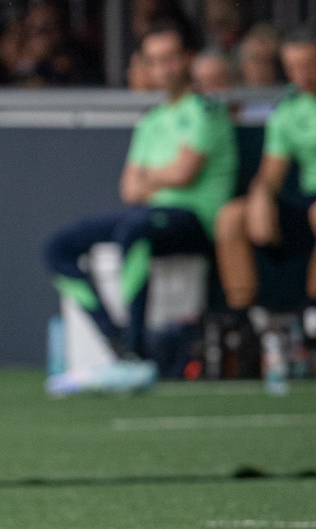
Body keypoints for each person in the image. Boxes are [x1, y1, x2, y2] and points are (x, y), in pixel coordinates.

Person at [42, 26, 236, 367]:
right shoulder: (152, 120)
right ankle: (114, 335)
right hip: (150, 215)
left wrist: (150, 175)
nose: (163, 69)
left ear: (187, 58)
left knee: (136, 229)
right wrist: (162, 176)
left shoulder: (206, 109)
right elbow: (129, 189)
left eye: (170, 59)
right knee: (59, 247)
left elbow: (184, 174)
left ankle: (136, 346)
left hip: (195, 221)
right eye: (154, 61)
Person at [215, 30, 316, 314]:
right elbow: (270, 175)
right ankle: (245, 321)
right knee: (232, 217)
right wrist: (260, 197)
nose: (303, 75)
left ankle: (313, 313)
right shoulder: (288, 110)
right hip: (307, 202)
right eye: (294, 67)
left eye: (310, 65)